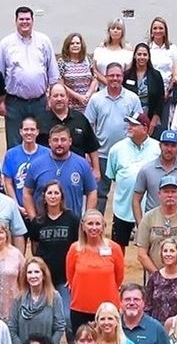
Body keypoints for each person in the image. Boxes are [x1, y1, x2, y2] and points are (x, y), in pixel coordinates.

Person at [0, 8, 56, 138]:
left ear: (32, 21)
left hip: (40, 103)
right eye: (21, 19)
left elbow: (53, 73)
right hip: (14, 104)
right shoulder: (5, 44)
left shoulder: (44, 41)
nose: (25, 22)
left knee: (41, 139)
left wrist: (51, 98)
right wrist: (0, 102)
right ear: (15, 21)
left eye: (27, 19)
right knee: (14, 141)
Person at [65, 212, 125, 332]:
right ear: (83, 226)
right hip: (80, 308)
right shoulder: (74, 249)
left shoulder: (115, 249)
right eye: (90, 223)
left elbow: (119, 278)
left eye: (97, 224)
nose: (94, 227)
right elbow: (70, 277)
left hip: (108, 310)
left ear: (103, 226)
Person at [106, 113, 158, 247]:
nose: (129, 127)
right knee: (118, 246)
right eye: (129, 124)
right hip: (122, 208)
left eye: (134, 125)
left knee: (150, 247)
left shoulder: (158, 149)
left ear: (145, 128)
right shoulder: (116, 149)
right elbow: (112, 175)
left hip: (149, 209)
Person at [7, 258, 67, 344]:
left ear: (44, 275)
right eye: (29, 272)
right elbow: (12, 329)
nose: (33, 275)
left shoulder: (54, 297)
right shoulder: (18, 299)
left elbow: (59, 327)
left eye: (36, 272)